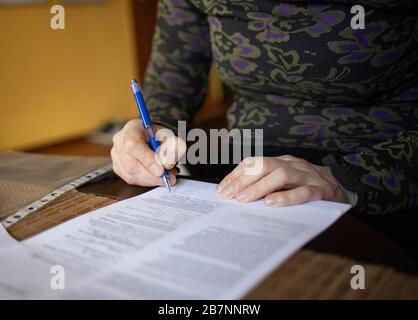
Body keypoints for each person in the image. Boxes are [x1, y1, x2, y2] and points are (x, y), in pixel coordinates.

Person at [111, 0, 418, 215]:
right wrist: (156, 129)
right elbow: (172, 80)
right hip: (241, 170)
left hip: (382, 171)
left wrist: (347, 179)